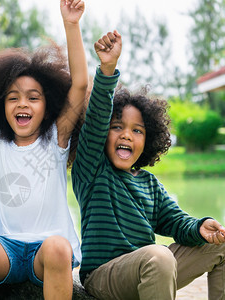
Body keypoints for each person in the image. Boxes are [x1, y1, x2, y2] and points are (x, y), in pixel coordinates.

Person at [71, 30, 225, 300]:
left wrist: (200, 226)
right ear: (103, 135)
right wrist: (107, 70)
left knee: (221, 245)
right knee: (159, 255)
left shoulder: (149, 184)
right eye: (117, 127)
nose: (127, 135)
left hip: (151, 268)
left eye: (137, 130)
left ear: (148, 140)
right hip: (104, 276)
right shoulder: (92, 170)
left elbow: (176, 221)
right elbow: (96, 119)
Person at [0, 0, 87, 298]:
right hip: (6, 252)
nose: (22, 103)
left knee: (57, 247)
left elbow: (79, 86)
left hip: (47, 254)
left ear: (47, 106)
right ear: (2, 106)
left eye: (33, 97)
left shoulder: (56, 138)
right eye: (13, 98)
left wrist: (72, 26)